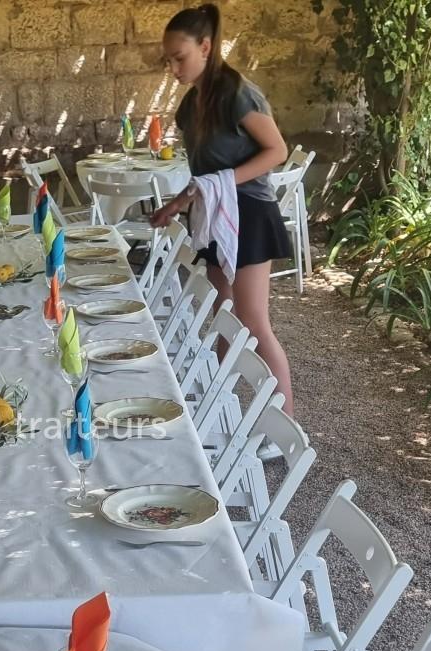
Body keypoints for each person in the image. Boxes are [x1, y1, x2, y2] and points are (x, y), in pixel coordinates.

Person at [150, 3, 295, 415]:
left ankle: (287, 424)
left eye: (180, 57)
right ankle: (221, 403)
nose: (174, 68)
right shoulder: (190, 106)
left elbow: (277, 150)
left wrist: (226, 181)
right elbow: (204, 176)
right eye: (169, 60)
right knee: (224, 312)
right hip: (216, 214)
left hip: (248, 213)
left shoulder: (237, 94)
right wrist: (175, 206)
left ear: (206, 46)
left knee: (252, 320)